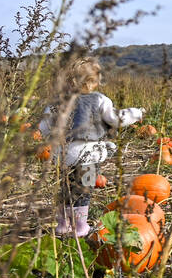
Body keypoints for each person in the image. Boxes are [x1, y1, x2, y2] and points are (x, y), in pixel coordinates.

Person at [38, 57, 144, 237]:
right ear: (92, 82)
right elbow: (116, 119)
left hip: (62, 155)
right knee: (84, 189)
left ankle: (62, 225)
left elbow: (43, 127)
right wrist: (136, 113)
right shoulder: (99, 100)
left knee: (65, 188)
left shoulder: (56, 102)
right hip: (88, 155)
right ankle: (80, 227)